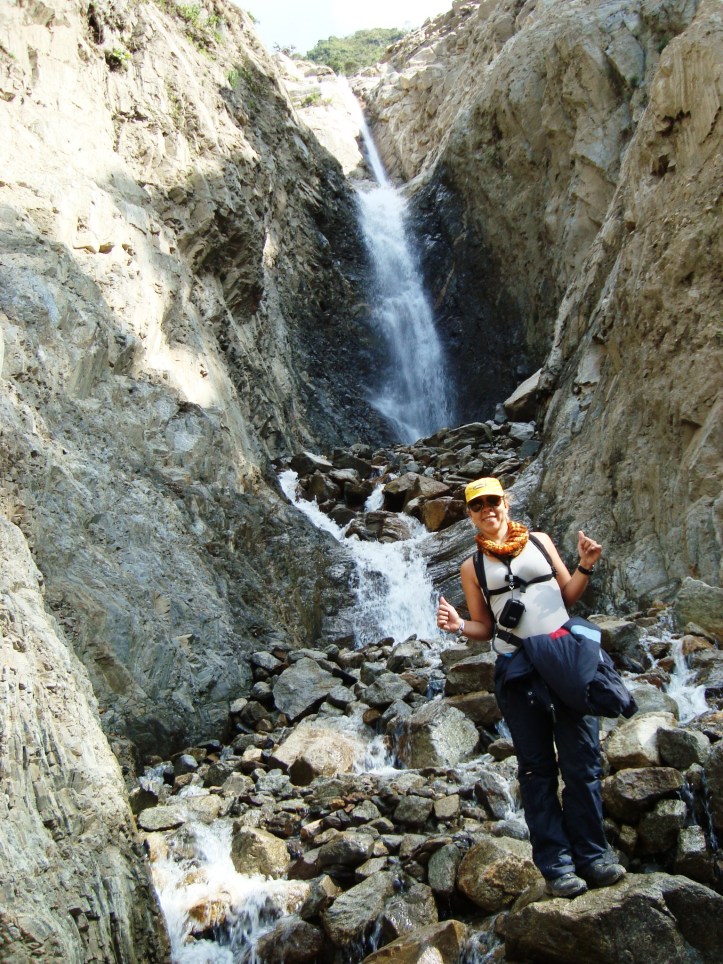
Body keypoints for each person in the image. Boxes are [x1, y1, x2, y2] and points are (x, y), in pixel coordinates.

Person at [436, 477, 626, 898]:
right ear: (469, 514)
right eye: (477, 505)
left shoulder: (539, 542)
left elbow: (567, 596)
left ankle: (594, 857)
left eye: (493, 501)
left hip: (563, 660)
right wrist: (458, 625)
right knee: (537, 770)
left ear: (506, 503)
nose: (488, 509)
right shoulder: (472, 567)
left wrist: (586, 564)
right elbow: (484, 627)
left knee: (582, 761)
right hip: (518, 669)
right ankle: (558, 866)